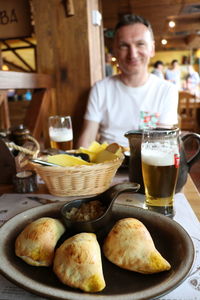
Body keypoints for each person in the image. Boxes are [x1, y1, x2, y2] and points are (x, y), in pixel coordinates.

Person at [78, 14, 178, 148]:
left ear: (152, 49)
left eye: (140, 44)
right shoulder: (100, 88)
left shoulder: (166, 90)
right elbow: (87, 140)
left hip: (147, 165)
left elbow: (162, 145)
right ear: (115, 51)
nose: (133, 54)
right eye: (124, 46)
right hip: (108, 165)